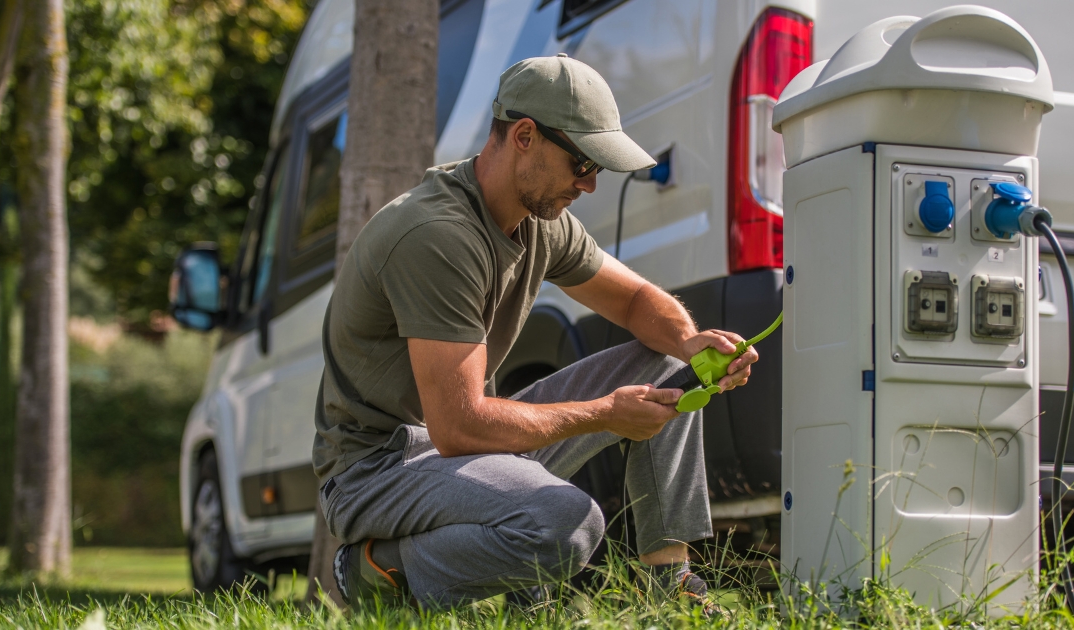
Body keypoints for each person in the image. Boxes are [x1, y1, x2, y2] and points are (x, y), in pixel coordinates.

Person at [312, 54, 757, 609]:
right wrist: (606, 414)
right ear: (525, 135)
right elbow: (458, 426)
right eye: (582, 163)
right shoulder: (438, 235)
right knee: (568, 523)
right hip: (377, 469)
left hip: (462, 454)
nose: (590, 185)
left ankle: (669, 591)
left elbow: (638, 299)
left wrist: (690, 341)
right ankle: (375, 570)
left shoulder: (540, 222)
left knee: (667, 364)